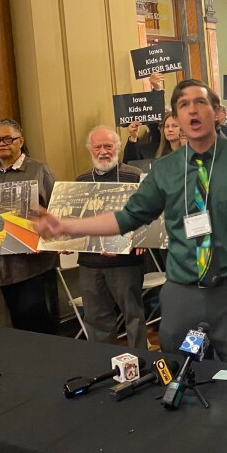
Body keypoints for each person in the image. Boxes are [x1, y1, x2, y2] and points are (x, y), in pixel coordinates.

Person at [37, 79, 227, 361]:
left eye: (200, 102)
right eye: (184, 105)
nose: (192, 111)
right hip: (183, 292)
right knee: (182, 373)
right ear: (177, 118)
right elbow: (128, 218)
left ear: (216, 112)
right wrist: (68, 225)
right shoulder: (165, 170)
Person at [0, 118, 58, 333]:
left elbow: (56, 212)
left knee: (35, 315)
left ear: (20, 141)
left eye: (7, 139)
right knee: (18, 319)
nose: (1, 144)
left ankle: (53, 359)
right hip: (2, 263)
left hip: (34, 263)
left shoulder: (38, 169)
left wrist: (43, 237)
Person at [74, 126, 148, 350]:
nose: (103, 151)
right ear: (90, 150)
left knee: (133, 316)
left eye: (108, 146)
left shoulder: (134, 176)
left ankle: (141, 361)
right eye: (98, 147)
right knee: (95, 318)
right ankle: (101, 362)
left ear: (117, 147)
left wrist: (142, 238)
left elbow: (148, 214)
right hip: (90, 263)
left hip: (125, 262)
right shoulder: (80, 181)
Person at [123, 73, 166, 162]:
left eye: (174, 126)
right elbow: (154, 119)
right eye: (165, 126)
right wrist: (156, 90)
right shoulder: (154, 146)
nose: (169, 129)